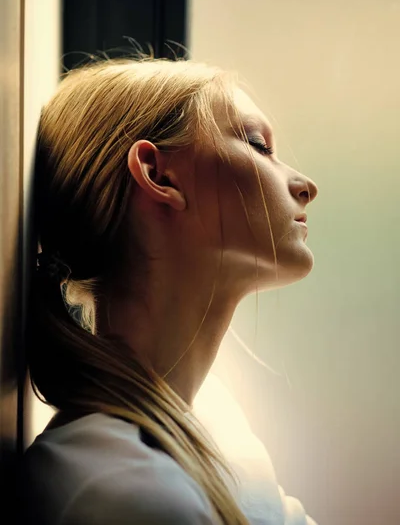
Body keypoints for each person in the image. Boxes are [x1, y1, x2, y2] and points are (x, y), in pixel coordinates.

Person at [23, 57, 319, 525]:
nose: (305, 186)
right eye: (259, 145)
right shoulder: (126, 494)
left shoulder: (221, 428)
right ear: (159, 177)